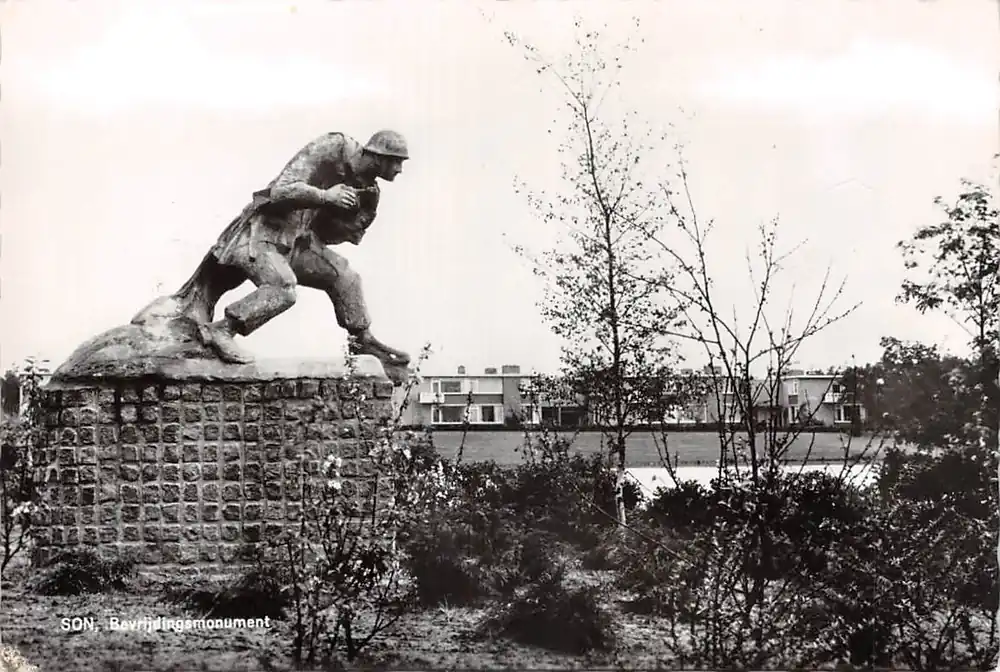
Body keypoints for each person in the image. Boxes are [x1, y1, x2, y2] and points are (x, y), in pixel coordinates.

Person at [134, 130, 411, 373]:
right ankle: (221, 331)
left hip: (297, 242)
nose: (399, 170)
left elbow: (338, 234)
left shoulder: (369, 189)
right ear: (378, 156)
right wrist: (326, 196)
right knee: (282, 288)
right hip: (260, 234)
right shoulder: (334, 147)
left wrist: (349, 216)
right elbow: (279, 191)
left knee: (346, 277)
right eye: (397, 161)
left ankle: (361, 342)